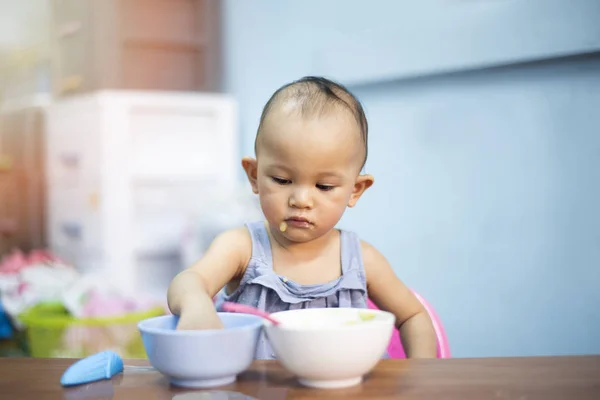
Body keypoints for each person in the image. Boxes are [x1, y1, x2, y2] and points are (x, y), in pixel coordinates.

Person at [167, 76, 437, 359]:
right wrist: (197, 304)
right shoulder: (242, 249)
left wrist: (421, 377)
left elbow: (413, 317)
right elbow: (188, 281)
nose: (301, 200)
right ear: (254, 176)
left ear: (355, 190)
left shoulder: (362, 261)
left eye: (324, 187)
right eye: (282, 180)